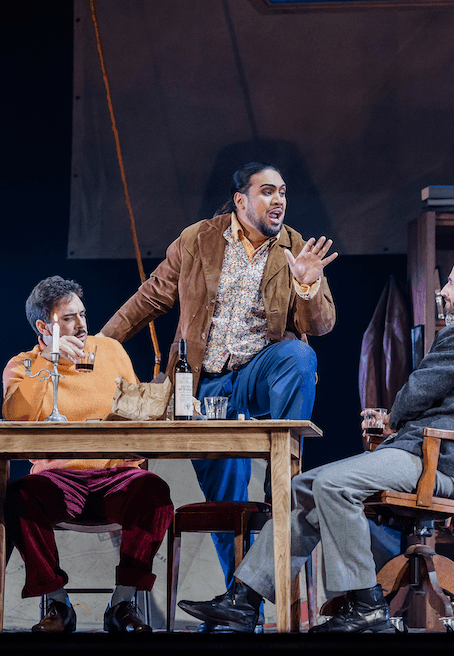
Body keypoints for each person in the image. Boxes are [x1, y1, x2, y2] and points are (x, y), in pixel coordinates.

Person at [178, 252, 454, 634]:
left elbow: (416, 392)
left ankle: (366, 603)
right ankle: (245, 599)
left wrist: (395, 417)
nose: (443, 291)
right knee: (302, 485)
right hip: (433, 457)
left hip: (439, 464)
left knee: (332, 485)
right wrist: (398, 422)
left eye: (451, 284)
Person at [101, 162, 337, 584]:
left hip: (259, 376)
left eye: (283, 191)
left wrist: (307, 285)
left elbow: (319, 326)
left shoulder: (294, 245)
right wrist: (100, 345)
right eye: (267, 191)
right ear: (240, 200)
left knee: (299, 358)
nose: (279, 199)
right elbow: (151, 298)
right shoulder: (198, 239)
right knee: (227, 499)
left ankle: (285, 473)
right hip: (205, 387)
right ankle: (241, 600)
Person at [2, 276, 174, 634]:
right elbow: (15, 414)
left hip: (117, 475)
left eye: (82, 314)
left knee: (155, 494)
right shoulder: (23, 364)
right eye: (68, 318)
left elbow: (135, 408)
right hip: (58, 478)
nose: (80, 325)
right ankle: (58, 603)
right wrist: (50, 361)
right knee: (19, 498)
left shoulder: (109, 350)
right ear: (43, 325)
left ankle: (122, 603)